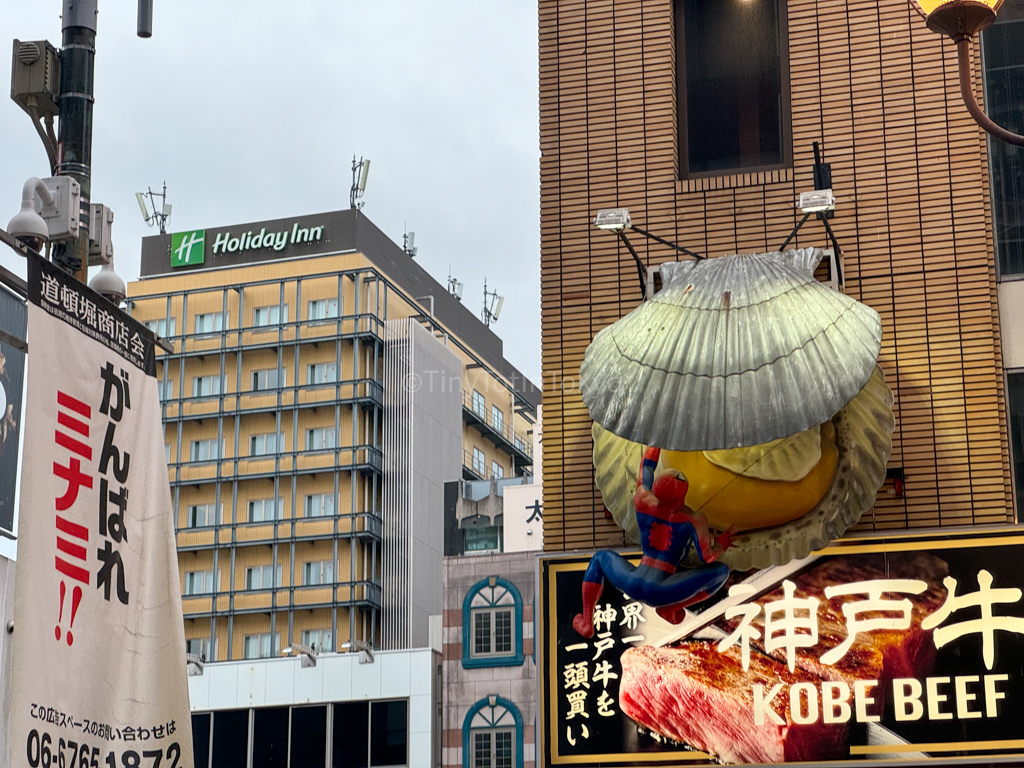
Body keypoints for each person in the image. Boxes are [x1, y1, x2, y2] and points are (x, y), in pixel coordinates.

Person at [572, 446, 735, 638]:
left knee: (600, 558)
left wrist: (655, 441)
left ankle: (586, 622)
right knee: (721, 572)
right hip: (663, 588)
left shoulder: (643, 500)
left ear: (656, 488)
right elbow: (707, 557)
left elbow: (646, 467)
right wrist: (721, 544)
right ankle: (672, 608)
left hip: (633, 580)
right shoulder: (692, 519)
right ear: (683, 496)